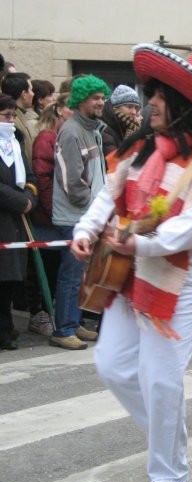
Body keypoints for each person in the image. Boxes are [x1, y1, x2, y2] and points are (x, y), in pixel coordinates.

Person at [71, 43, 192, 482]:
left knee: (160, 379)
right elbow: (108, 195)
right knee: (111, 366)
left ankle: (169, 471)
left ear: (185, 105)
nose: (152, 104)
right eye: (153, 94)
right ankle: (169, 434)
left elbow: (191, 232)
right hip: (128, 275)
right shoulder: (141, 148)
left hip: (178, 284)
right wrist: (86, 229)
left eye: (161, 96)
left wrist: (139, 242)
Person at [50, 74, 111, 350]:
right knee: (72, 275)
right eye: (95, 98)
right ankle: (63, 329)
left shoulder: (93, 129)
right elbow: (72, 183)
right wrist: (92, 207)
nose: (101, 102)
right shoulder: (72, 131)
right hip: (75, 216)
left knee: (81, 276)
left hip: (87, 216)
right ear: (80, 100)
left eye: (102, 97)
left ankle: (73, 324)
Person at [28, 94, 73, 335]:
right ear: (58, 110)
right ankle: (39, 314)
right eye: (70, 107)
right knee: (45, 267)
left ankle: (51, 312)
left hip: (59, 212)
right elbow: (43, 178)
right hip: (50, 214)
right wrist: (53, 210)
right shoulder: (47, 138)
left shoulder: (64, 137)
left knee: (56, 267)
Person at [0, 93, 38, 349]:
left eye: (13, 115)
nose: (11, 120)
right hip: (4, 215)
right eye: (6, 116)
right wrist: (18, 200)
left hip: (15, 221)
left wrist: (29, 199)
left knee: (11, 278)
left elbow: (31, 178)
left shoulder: (15, 142)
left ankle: (6, 326)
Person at [101, 84, 142, 157]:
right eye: (129, 107)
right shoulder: (104, 128)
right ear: (116, 107)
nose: (134, 112)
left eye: (136, 108)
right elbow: (114, 158)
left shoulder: (128, 126)